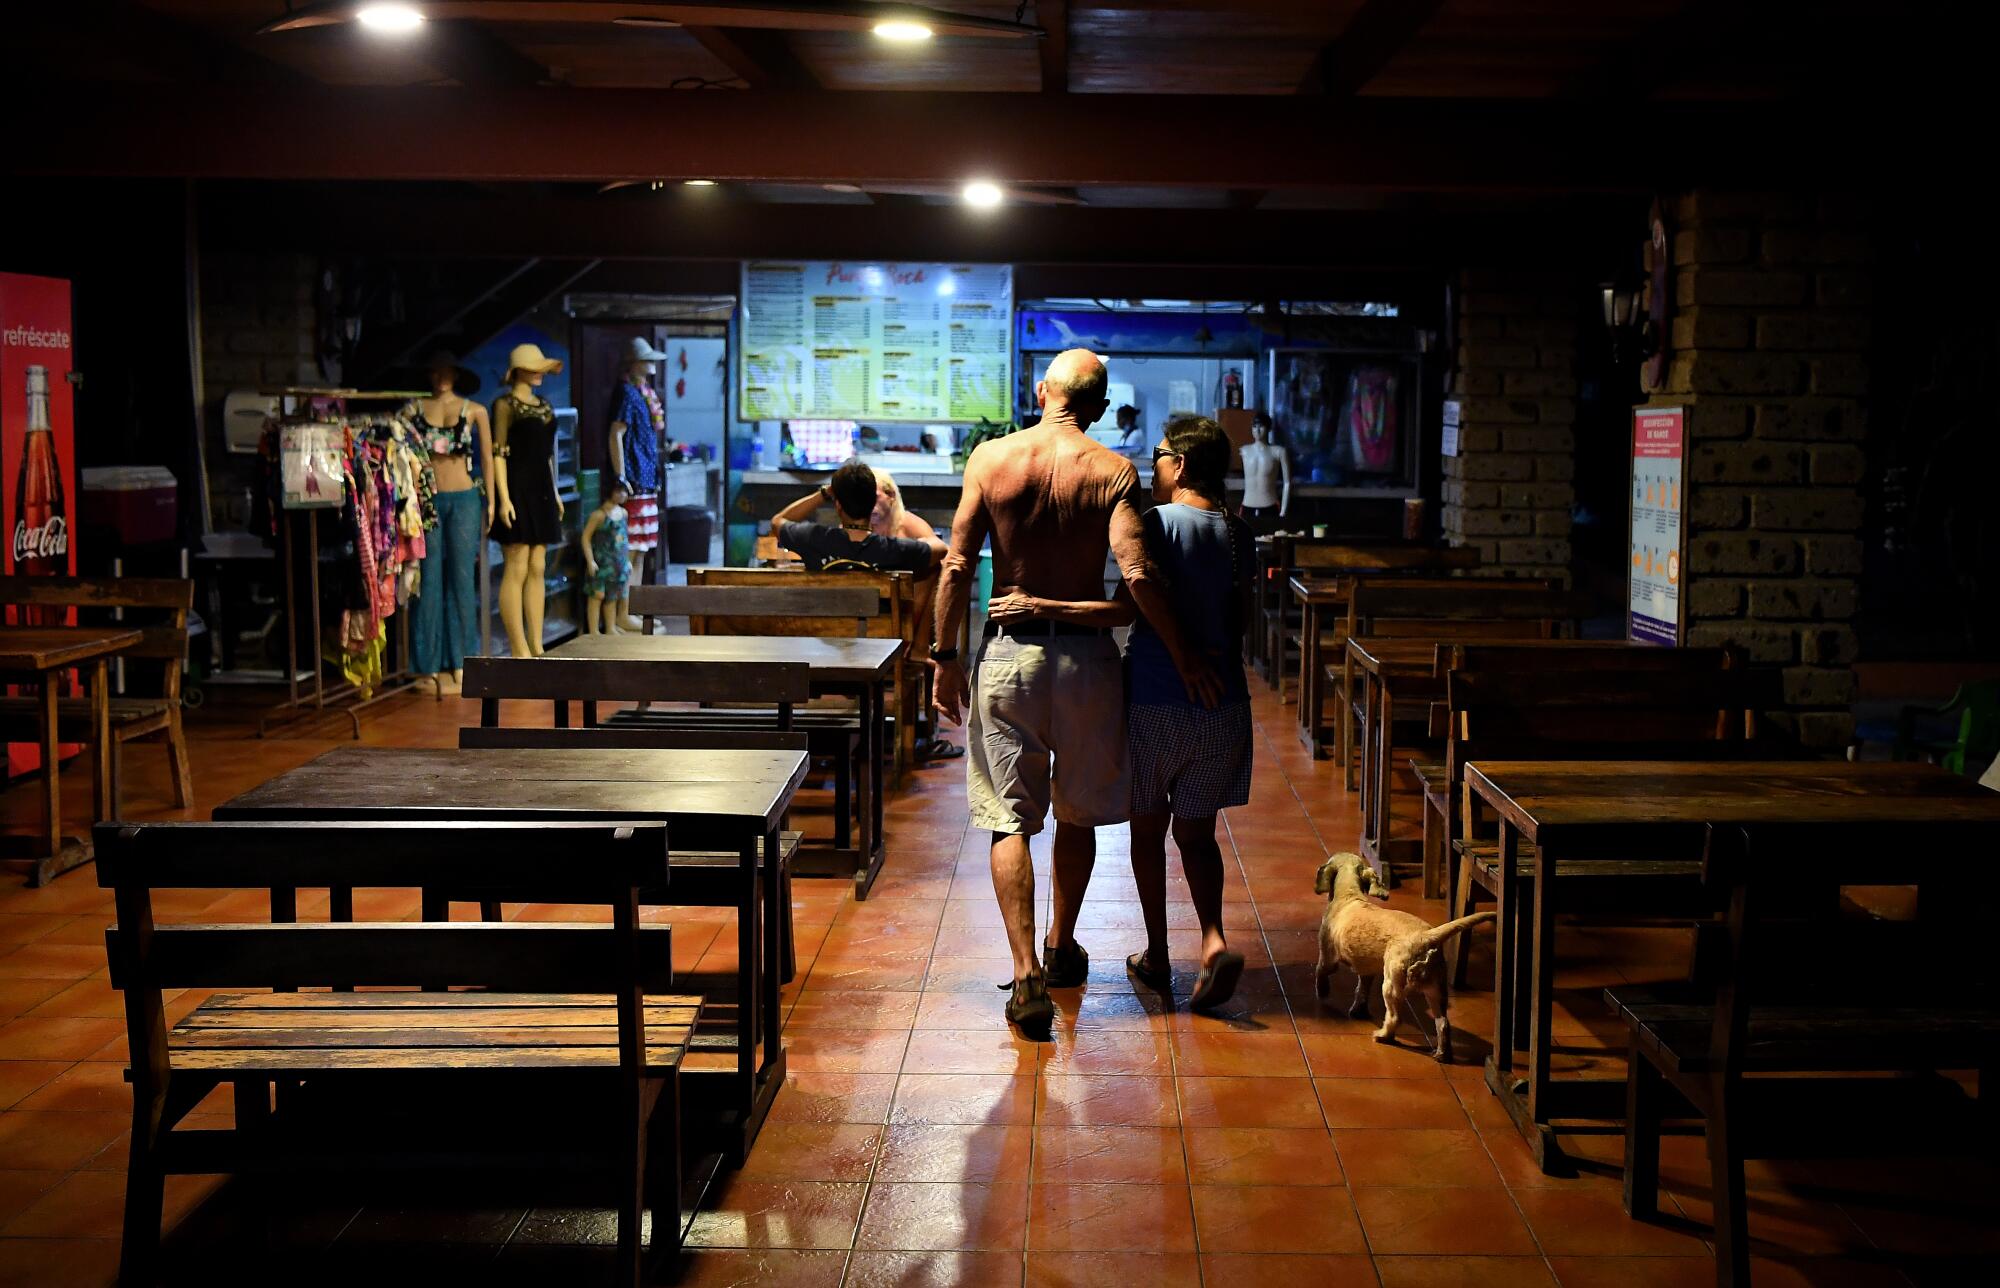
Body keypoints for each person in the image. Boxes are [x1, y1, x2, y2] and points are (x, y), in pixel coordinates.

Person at [933, 348, 1220, 1035]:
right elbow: (1139, 574)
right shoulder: (1113, 470)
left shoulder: (991, 460)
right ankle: (1063, 945)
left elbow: (954, 565)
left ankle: (1027, 969)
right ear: (1095, 406)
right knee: (1079, 815)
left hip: (1008, 661)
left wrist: (942, 659)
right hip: (1089, 666)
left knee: (1009, 819)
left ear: (1042, 391)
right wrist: (1181, 654)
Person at [996, 415, 1255, 1012]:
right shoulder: (1240, 536)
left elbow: (1123, 605)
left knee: (1148, 831)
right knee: (1197, 831)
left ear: (1181, 465)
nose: (1155, 465)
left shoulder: (1155, 523)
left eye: (1161, 455)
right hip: (1223, 709)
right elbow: (1240, 620)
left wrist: (1040, 604)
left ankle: (1159, 952)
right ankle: (1213, 941)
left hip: (1155, 701)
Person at [872, 469, 962, 762]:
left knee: (930, 574)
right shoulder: (856, 525)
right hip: (874, 615)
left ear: (890, 495)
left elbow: (943, 553)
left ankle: (915, 651)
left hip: (906, 617)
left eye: (873, 496)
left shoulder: (907, 523)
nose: (869, 505)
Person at [770, 457, 944, 574]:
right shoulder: (894, 549)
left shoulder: (814, 538)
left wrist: (824, 493)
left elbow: (777, 521)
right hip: (880, 629)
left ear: (838, 505)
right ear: (871, 504)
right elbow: (941, 549)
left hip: (825, 628)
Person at [580, 477, 632, 635]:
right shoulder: (599, 515)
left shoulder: (623, 513)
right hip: (601, 565)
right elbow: (586, 538)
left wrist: (627, 560)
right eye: (618, 491)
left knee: (612, 597)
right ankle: (594, 630)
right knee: (597, 596)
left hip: (618, 566)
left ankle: (610, 627)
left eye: (624, 491)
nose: (622, 494)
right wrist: (590, 561)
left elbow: (624, 540)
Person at [1239, 410, 1291, 535]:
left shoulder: (1278, 451)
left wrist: (1283, 510)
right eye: (1254, 426)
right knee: (1245, 545)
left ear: (1268, 428)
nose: (1257, 430)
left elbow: (1287, 482)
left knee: (1271, 546)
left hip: (1270, 506)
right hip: (1247, 506)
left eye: (1261, 426)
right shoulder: (1244, 451)